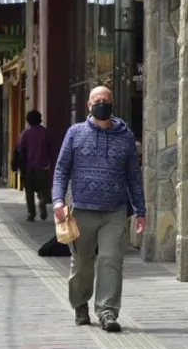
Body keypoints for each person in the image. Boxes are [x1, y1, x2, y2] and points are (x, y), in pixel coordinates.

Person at [52, 86, 146, 333]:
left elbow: (134, 177)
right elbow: (61, 170)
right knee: (82, 262)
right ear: (89, 105)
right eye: (97, 100)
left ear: (112, 104)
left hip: (115, 211)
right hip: (82, 209)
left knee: (111, 260)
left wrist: (141, 210)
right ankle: (80, 303)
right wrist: (58, 201)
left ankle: (107, 311)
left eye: (106, 100)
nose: (102, 103)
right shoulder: (75, 133)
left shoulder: (125, 137)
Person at [14, 110, 56, 222]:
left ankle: (31, 214)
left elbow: (20, 150)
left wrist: (18, 167)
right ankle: (42, 201)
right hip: (43, 167)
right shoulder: (46, 133)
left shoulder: (25, 134)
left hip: (28, 168)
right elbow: (52, 151)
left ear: (28, 120)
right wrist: (52, 165)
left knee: (29, 192)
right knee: (43, 189)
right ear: (40, 119)